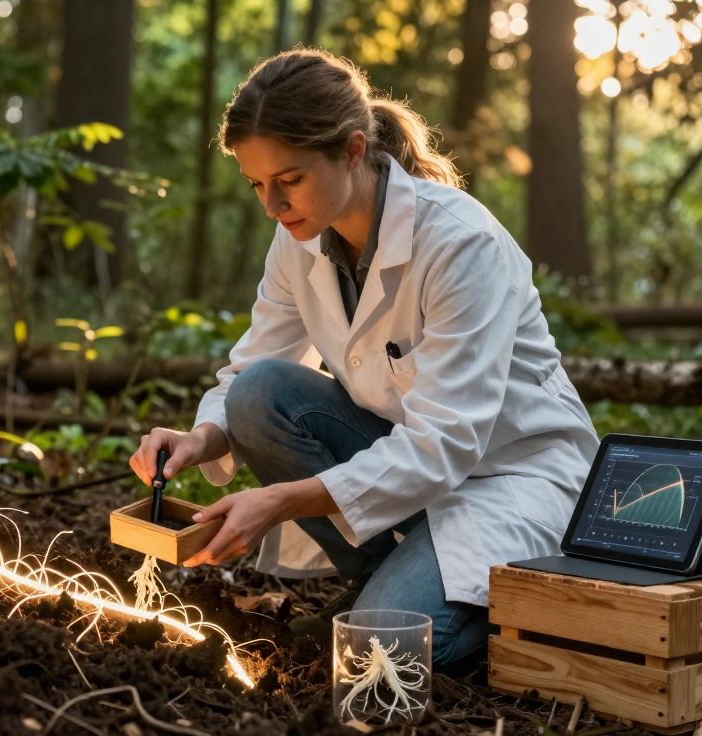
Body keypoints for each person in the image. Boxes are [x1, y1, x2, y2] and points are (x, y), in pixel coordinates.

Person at [128, 48, 599, 673]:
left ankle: (491, 613)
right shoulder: (299, 236)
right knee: (256, 396)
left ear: (352, 150)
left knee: (373, 652)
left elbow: (448, 442)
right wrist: (201, 437)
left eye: (288, 180)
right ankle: (397, 577)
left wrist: (282, 500)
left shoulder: (462, 245)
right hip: (410, 463)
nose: (271, 204)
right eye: (256, 184)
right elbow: (256, 365)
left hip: (510, 477)